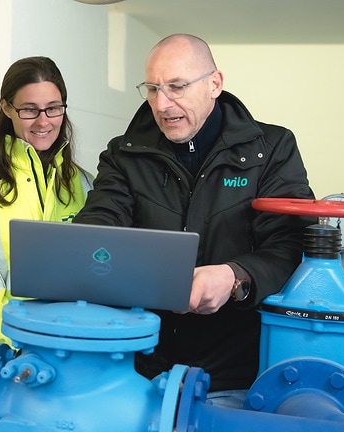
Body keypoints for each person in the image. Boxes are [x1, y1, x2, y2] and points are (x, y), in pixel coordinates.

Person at [72, 34, 315, 407]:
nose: (162, 103)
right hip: (138, 371)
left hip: (235, 376)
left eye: (177, 87)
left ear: (215, 83)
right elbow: (100, 224)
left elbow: (289, 245)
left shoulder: (272, 149)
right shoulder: (123, 154)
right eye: (152, 89)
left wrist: (235, 277)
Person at [0, 56, 93, 358]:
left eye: (53, 108)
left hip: (66, 344)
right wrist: (22, 337)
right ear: (6, 108)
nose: (44, 121)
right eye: (29, 110)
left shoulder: (84, 183)